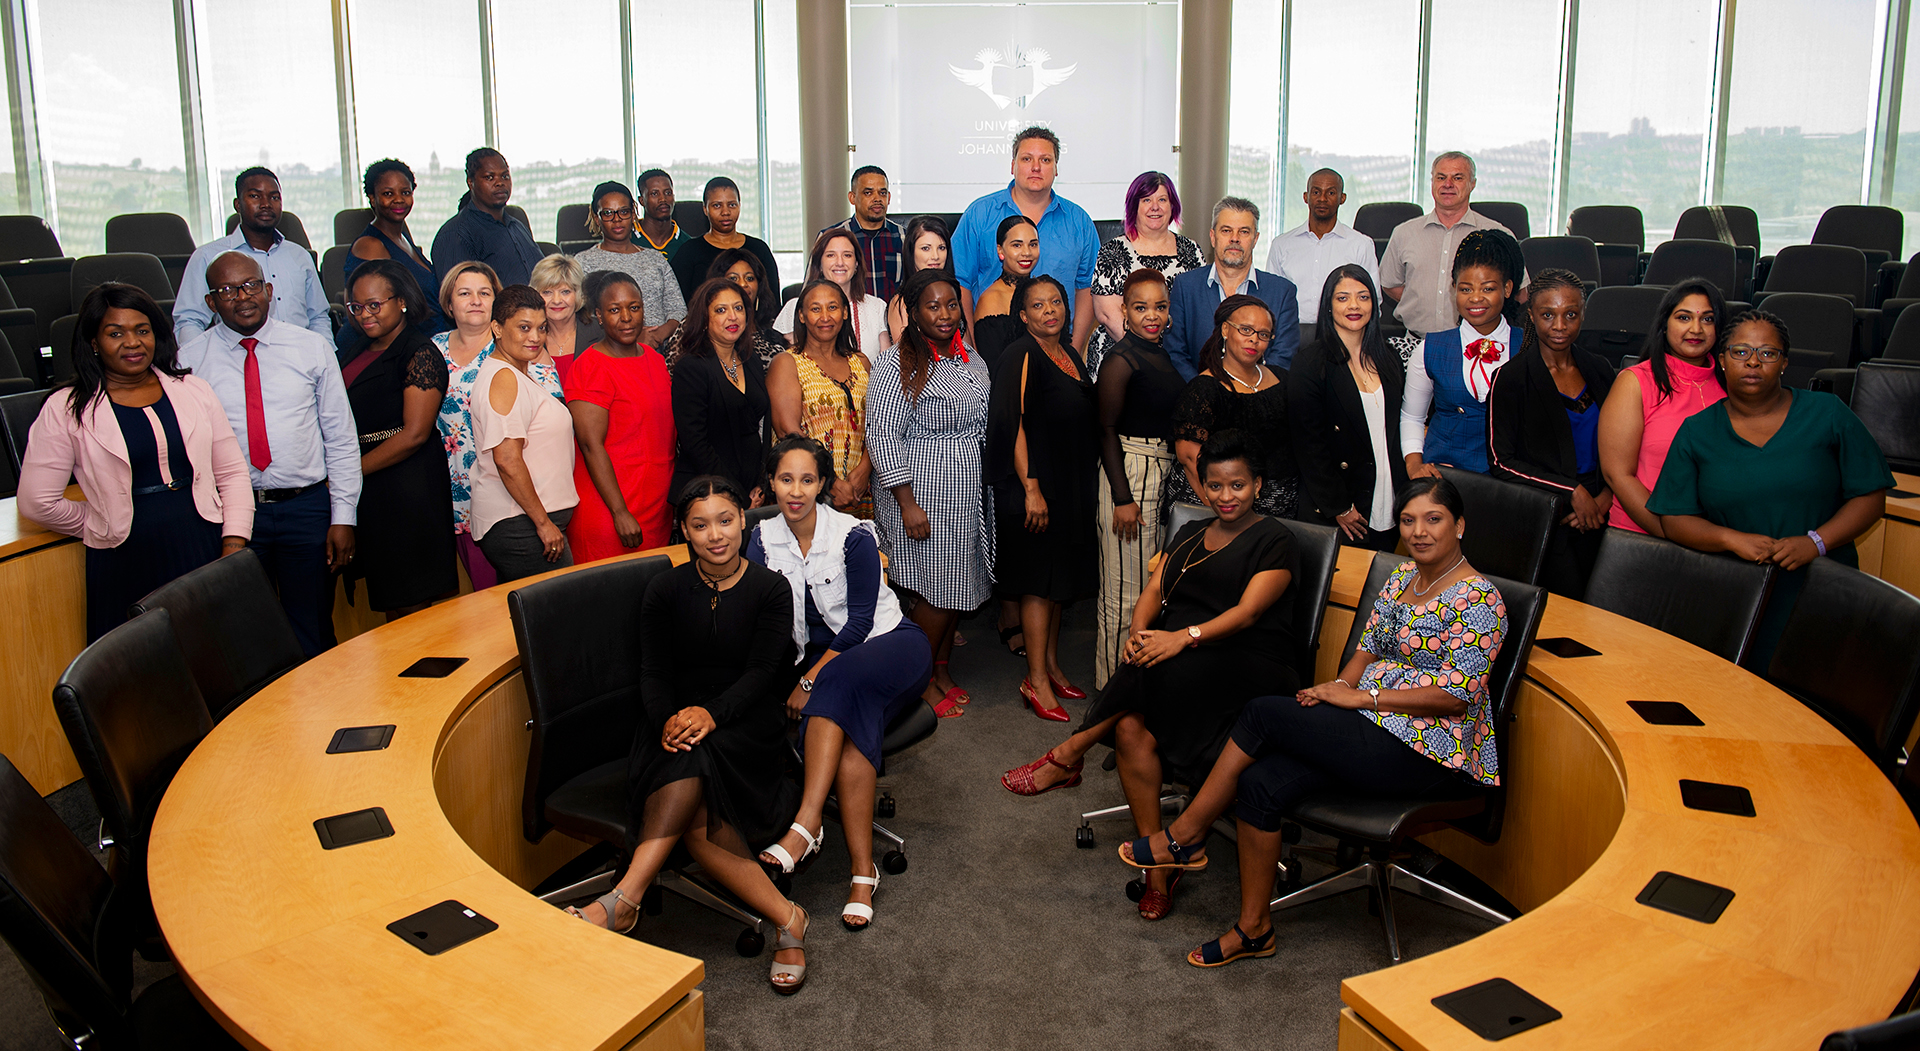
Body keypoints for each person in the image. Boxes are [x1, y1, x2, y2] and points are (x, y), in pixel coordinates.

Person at [1120, 475, 1506, 968]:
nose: (1419, 531)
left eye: (1434, 519)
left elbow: (1455, 699)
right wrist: (1336, 690)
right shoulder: (1401, 580)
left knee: (1262, 712)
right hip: (1373, 725)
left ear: (1460, 525)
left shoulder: (1481, 599)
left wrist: (1361, 698)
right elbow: (1365, 653)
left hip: (1431, 751)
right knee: (1260, 781)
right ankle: (1254, 928)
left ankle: (1186, 834)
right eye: (1409, 520)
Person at [1004, 432, 1300, 922]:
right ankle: (1159, 869)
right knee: (1128, 725)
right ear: (1201, 488)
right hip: (1186, 662)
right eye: (1215, 486)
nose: (1226, 496)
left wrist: (1181, 636)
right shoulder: (1188, 534)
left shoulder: (1276, 540)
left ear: (1258, 485)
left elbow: (1248, 614)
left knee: (1162, 662)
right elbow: (1155, 589)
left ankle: (1069, 754)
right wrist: (1140, 633)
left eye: (1238, 485)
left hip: (1252, 663)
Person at [565, 477, 811, 996]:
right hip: (672, 723)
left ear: (745, 520)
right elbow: (651, 674)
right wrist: (668, 721)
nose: (715, 535)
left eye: (725, 520)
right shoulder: (664, 588)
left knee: (693, 767)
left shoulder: (771, 588)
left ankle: (622, 900)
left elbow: (764, 673)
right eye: (700, 525)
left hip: (746, 725)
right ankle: (789, 920)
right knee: (689, 772)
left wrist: (711, 714)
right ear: (683, 531)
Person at [747, 437, 931, 929]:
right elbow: (764, 617)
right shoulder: (762, 540)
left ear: (824, 484)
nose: (796, 491)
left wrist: (806, 681)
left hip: (889, 646)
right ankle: (861, 873)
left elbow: (859, 622)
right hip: (828, 668)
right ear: (771, 482)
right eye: (786, 479)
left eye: (808, 479)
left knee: (836, 681)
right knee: (852, 740)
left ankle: (806, 823)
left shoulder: (853, 535)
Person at [1648, 310, 1892, 669]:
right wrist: (1732, 539)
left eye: (1767, 353)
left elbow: (1871, 496)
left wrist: (1816, 542)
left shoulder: (1827, 413)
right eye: (1740, 351)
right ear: (1721, 361)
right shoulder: (1697, 431)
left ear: (1784, 363)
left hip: (1822, 590)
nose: (1753, 362)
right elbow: (1675, 518)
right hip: (1735, 594)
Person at [18, 284, 254, 642]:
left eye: (142, 330)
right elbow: (38, 502)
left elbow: (233, 473)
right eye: (115, 333)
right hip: (123, 559)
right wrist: (98, 521)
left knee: (216, 663)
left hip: (202, 546)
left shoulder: (193, 389)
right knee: (140, 674)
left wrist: (233, 545)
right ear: (94, 342)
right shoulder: (66, 408)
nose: (132, 342)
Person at [177, 253, 358, 657]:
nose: (242, 297)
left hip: (306, 510)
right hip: (233, 516)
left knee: (311, 628)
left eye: (251, 285)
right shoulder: (189, 362)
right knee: (242, 633)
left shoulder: (311, 348)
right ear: (210, 302)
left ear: (269, 291)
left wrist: (344, 516)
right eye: (226, 290)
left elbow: (341, 439)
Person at [866, 269, 993, 717]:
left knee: (955, 588)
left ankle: (938, 671)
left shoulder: (969, 359)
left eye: (951, 305)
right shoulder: (896, 364)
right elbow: (881, 435)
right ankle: (914, 682)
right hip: (921, 494)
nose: (944, 314)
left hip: (967, 492)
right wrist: (906, 503)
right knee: (937, 594)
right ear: (914, 313)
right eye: (932, 306)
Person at [987, 274, 1099, 720]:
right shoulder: (1021, 354)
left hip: (1067, 483)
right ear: (1022, 314)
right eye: (1038, 305)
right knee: (1037, 583)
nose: (1050, 310)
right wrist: (1031, 487)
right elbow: (1010, 421)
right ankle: (1034, 681)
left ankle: (1051, 666)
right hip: (1033, 487)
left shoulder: (1068, 352)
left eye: (1056, 302)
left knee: (1058, 583)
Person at [336, 260, 458, 620]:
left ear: (401, 301)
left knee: (412, 603)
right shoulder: (357, 348)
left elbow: (414, 434)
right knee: (391, 598)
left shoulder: (419, 352)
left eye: (375, 305)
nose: (365, 315)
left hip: (407, 490)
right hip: (374, 489)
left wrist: (349, 473)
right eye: (356, 308)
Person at [1488, 269, 1616, 600]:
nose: (1560, 325)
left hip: (1602, 513)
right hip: (1547, 515)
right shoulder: (1512, 378)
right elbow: (1501, 461)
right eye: (1548, 315)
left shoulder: (1601, 369)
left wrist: (1605, 498)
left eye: (1570, 314)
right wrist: (1571, 491)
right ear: (1531, 314)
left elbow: (1621, 447)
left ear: (1583, 315)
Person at [1093, 269, 1186, 688]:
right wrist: (1122, 497)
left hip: (1160, 472)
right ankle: (1110, 694)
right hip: (1130, 472)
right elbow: (1106, 429)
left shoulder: (1161, 353)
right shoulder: (1120, 358)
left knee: (1148, 589)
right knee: (1124, 593)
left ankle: (1134, 692)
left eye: (1160, 307)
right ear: (1124, 312)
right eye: (1141, 307)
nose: (1152, 315)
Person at [1289, 266, 1410, 550]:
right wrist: (1339, 506)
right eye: (1342, 298)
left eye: (1363, 297)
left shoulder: (1389, 357)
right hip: (1340, 504)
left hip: (1388, 497)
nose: (1354, 305)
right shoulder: (1310, 363)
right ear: (1328, 306)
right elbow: (1308, 445)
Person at [951, 126, 1100, 349]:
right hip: (995, 348)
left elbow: (1087, 287)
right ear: (1012, 166)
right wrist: (971, 348)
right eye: (1027, 159)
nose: (1036, 167)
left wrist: (1075, 350)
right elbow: (960, 283)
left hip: (1059, 348)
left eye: (1046, 160)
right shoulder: (979, 215)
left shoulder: (1079, 222)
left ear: (1056, 168)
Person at [1597, 279, 1727, 535]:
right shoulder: (1636, 381)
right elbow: (1618, 475)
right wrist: (1671, 532)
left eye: (1708, 319)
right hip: (1644, 534)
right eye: (1683, 317)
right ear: (1664, 325)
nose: (1696, 329)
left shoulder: (1732, 386)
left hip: (1716, 538)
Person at [565, 270, 677, 561]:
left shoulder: (655, 360)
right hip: (611, 511)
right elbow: (591, 445)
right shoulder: (591, 366)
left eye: (634, 307)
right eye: (614, 310)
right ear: (599, 316)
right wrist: (619, 512)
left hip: (656, 506)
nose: (626, 317)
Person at [470, 286, 579, 582]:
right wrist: (543, 523)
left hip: (527, 521)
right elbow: (506, 459)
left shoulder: (515, 373)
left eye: (541, 328)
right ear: (497, 328)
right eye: (524, 327)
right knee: (556, 617)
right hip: (521, 523)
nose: (535, 337)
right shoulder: (504, 377)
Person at [1399, 229, 1526, 477]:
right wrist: (1414, 465)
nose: (1475, 298)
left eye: (1487, 289)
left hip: (1509, 482)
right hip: (1442, 478)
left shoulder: (1528, 347)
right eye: (1466, 289)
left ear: (1507, 288)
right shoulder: (1430, 348)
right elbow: (1412, 417)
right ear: (1453, 288)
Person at [1167, 295, 1302, 519]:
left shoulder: (1283, 380)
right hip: (1217, 512)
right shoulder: (1204, 389)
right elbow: (1191, 458)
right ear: (1226, 330)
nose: (1254, 340)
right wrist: (1225, 511)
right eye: (1246, 330)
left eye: (1263, 334)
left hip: (1278, 515)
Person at [1378, 152, 1525, 338]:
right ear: (1432, 182)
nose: (1448, 184)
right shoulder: (1404, 233)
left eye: (1457, 178)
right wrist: (1420, 299)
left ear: (1472, 184)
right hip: (1417, 343)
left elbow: (1519, 291)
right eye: (1441, 177)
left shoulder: (1498, 235)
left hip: (1480, 346)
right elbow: (1390, 283)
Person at [174, 167, 330, 338]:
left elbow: (318, 317)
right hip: (240, 360)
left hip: (301, 358)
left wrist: (325, 356)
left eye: (274, 197)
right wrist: (202, 362)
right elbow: (189, 321)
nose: (266, 204)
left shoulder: (299, 255)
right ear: (237, 205)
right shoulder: (208, 257)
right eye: (255, 196)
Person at [768, 280, 873, 517]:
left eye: (833, 307)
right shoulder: (787, 362)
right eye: (815, 309)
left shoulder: (861, 362)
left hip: (861, 492)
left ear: (845, 313)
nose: (825, 316)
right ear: (802, 316)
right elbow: (788, 432)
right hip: (810, 492)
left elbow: (877, 424)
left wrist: (866, 468)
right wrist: (831, 482)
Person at [1166, 198, 1299, 380]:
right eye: (1226, 230)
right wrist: (1204, 392)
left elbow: (1283, 358)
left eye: (1244, 232)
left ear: (1255, 239)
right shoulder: (1185, 286)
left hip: (1259, 399)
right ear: (1213, 237)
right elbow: (1175, 353)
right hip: (1199, 398)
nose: (1234, 238)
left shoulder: (1283, 292)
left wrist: (1250, 393)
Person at [1088, 171, 1204, 373]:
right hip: (1123, 358)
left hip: (1178, 358)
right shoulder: (1113, 251)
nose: (1155, 207)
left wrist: (1173, 355)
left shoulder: (1191, 250)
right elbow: (1107, 314)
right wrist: (1150, 357)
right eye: (1146, 200)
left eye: (1162, 199)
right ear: (1134, 206)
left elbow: (1198, 307)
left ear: (1172, 206)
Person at [671, 278, 771, 504]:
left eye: (738, 308)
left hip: (753, 490)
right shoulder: (691, 367)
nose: (733, 316)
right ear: (704, 319)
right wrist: (735, 494)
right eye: (721, 310)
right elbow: (695, 442)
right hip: (707, 493)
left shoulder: (751, 360)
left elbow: (763, 427)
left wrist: (761, 484)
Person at [571, 180, 686, 347]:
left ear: (633, 214)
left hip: (661, 351)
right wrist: (634, 338)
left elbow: (678, 309)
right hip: (611, 353)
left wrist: (658, 335)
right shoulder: (583, 262)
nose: (617, 219)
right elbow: (584, 318)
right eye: (608, 213)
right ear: (597, 218)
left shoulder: (655, 258)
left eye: (623, 212)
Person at [1266, 169, 1380, 330]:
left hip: (1341, 334)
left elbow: (1373, 300)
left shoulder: (1361, 244)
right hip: (1291, 334)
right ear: (1306, 197)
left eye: (1331, 192)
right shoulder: (1282, 245)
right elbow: (1273, 299)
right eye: (1316, 192)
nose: (1322, 198)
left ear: (1342, 198)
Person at [345, 158, 447, 333]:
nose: (399, 199)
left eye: (405, 193)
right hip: (405, 347)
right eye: (388, 194)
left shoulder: (403, 237)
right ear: (372, 199)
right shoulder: (370, 245)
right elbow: (379, 313)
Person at [662, 249, 789, 377]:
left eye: (750, 278)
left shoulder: (770, 326)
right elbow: (672, 371)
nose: (743, 284)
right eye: (733, 278)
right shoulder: (696, 322)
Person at [432, 148, 543, 288]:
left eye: (505, 176)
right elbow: (460, 300)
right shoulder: (456, 234)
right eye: (489, 177)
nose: (500, 183)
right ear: (470, 182)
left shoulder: (517, 225)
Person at [774, 230, 890, 357]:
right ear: (819, 264)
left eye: (847, 255)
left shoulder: (876, 307)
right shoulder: (795, 307)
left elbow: (884, 363)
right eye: (831, 255)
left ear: (857, 263)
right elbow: (775, 359)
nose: (840, 263)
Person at [670, 177, 780, 303]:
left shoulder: (759, 249)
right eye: (717, 205)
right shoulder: (689, 251)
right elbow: (676, 304)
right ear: (705, 209)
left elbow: (773, 301)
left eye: (732, 205)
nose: (725, 212)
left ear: (739, 205)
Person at [966, 216, 1038, 372]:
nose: (1026, 252)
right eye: (1017, 245)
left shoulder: (1042, 290)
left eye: (1033, 244)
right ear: (1000, 250)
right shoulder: (991, 299)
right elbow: (996, 365)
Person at [822, 165, 904, 301]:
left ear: (889, 198)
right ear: (852, 198)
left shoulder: (904, 237)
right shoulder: (830, 238)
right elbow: (811, 291)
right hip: (847, 319)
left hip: (893, 320)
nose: (877, 198)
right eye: (868, 193)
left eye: (882, 193)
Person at [529, 254, 603, 386]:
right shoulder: (526, 338)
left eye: (565, 292)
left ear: (578, 295)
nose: (557, 300)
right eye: (547, 292)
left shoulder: (601, 332)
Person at [886, 215, 951, 344]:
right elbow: (906, 358)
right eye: (926, 248)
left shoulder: (954, 295)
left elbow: (968, 352)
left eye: (941, 248)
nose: (935, 256)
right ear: (911, 252)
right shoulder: (901, 303)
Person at [635, 169, 692, 261]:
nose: (663, 199)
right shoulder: (628, 239)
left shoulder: (687, 244)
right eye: (654, 194)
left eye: (668, 193)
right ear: (642, 201)